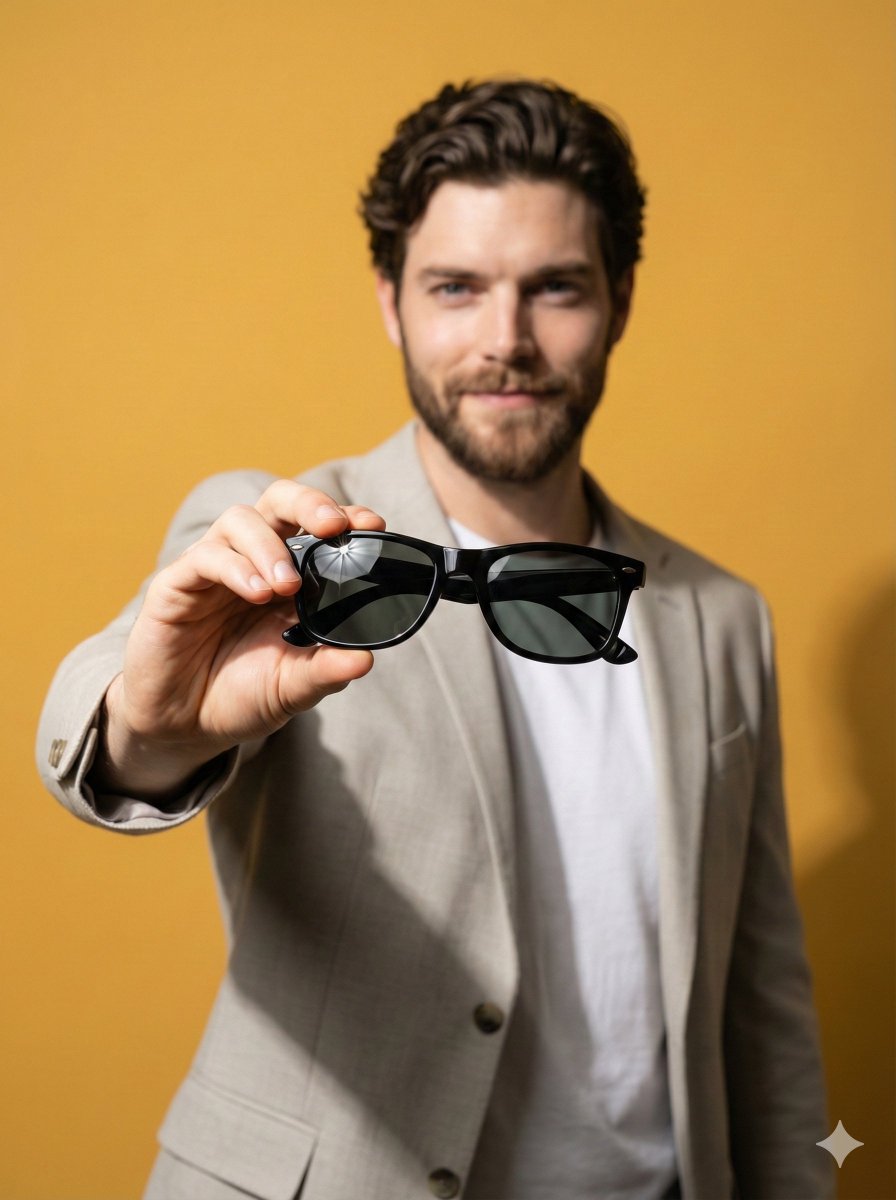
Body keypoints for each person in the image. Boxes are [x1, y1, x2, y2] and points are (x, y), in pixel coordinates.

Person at [37, 79, 832, 1200]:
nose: (506, 342)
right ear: (391, 301)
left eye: (555, 288)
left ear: (619, 300)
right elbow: (115, 723)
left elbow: (763, 1004)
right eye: (455, 288)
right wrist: (149, 727)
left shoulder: (721, 617)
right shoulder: (283, 539)